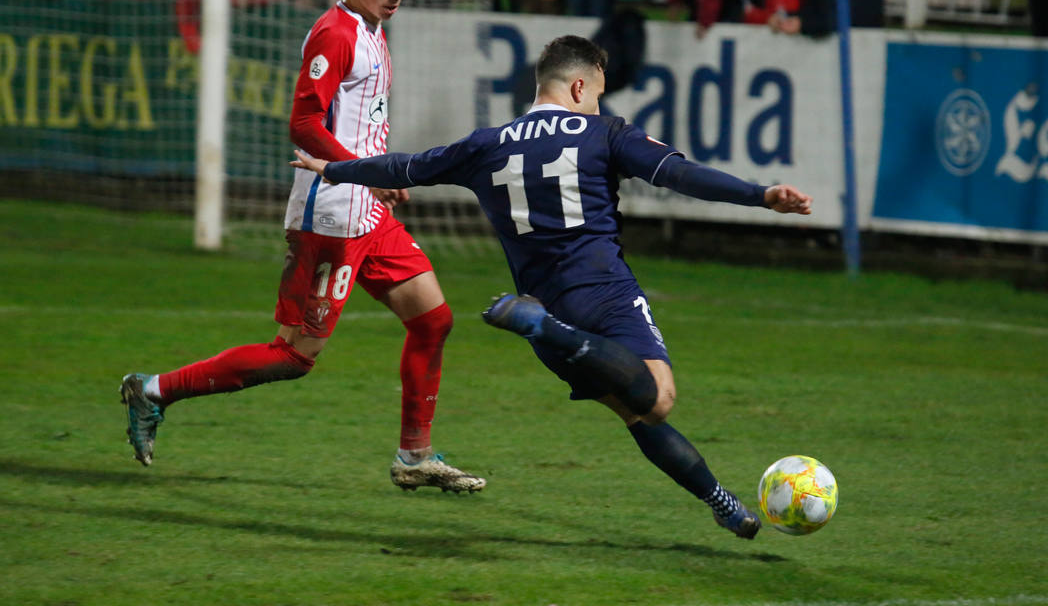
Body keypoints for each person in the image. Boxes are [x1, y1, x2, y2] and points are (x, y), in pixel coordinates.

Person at [290, 35, 813, 539]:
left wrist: (335, 169)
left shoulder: (485, 144)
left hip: (545, 304)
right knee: (655, 402)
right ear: (581, 88)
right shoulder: (605, 133)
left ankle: (722, 504)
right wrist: (760, 195)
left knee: (634, 411)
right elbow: (679, 175)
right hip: (603, 295)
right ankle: (548, 329)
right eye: (599, 92)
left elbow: (407, 166)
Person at [120, 0, 486, 494]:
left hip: (368, 208)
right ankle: (153, 391)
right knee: (293, 357)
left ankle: (414, 457)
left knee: (433, 320)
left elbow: (356, 122)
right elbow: (304, 124)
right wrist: (366, 172)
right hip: (331, 218)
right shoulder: (335, 33)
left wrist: (379, 172)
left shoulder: (374, 29)